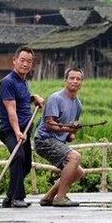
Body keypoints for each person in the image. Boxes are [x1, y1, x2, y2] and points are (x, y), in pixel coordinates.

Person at [0, 46, 44, 208]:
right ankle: (18, 198)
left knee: (26, 165)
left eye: (29, 61)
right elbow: (11, 111)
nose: (25, 64)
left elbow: (21, 100)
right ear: (14, 61)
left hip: (25, 130)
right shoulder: (7, 82)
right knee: (17, 157)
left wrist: (33, 98)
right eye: (22, 60)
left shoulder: (23, 81)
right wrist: (17, 131)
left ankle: (9, 197)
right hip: (10, 130)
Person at [34, 68, 85, 207]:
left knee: (79, 172)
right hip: (44, 139)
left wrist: (71, 134)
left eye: (78, 79)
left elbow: (68, 132)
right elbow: (50, 124)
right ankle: (60, 197)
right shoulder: (56, 98)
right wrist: (69, 129)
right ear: (65, 81)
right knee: (75, 157)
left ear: (81, 82)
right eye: (72, 78)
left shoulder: (78, 105)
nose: (75, 81)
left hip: (57, 142)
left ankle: (48, 197)